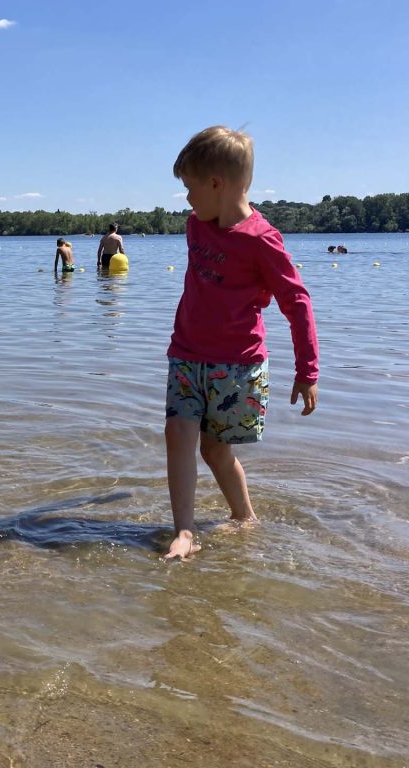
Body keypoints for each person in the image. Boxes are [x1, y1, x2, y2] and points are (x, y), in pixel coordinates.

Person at [164, 125, 319, 560]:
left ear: (216, 184)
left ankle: (244, 517)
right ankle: (185, 531)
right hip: (186, 355)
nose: (188, 200)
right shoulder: (197, 226)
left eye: (191, 188)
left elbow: (297, 301)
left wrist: (307, 371)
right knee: (177, 433)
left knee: (215, 450)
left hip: (236, 366)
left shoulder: (262, 241)